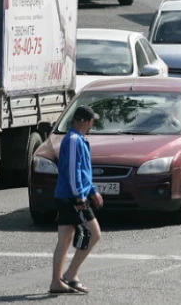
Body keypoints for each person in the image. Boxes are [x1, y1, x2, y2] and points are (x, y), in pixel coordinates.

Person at [50, 105, 103, 294]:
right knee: (95, 233)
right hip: (72, 197)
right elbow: (72, 171)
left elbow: (83, 171)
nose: (92, 124)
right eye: (91, 121)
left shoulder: (78, 139)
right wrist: (80, 197)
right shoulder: (73, 140)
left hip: (68, 195)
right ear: (86, 121)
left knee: (64, 239)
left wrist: (93, 190)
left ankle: (56, 282)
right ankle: (71, 274)